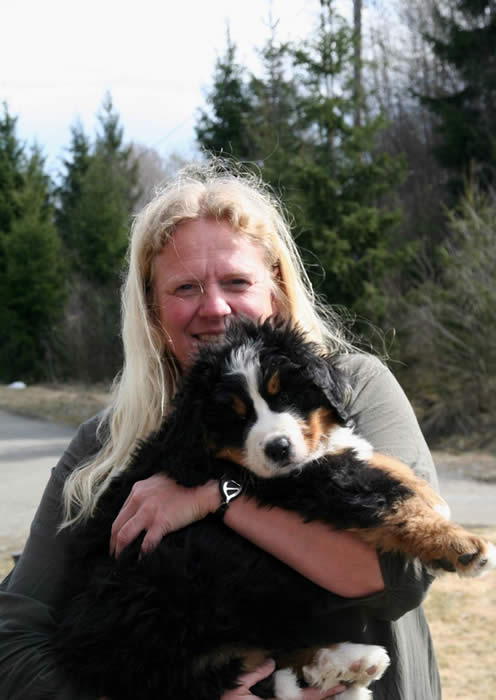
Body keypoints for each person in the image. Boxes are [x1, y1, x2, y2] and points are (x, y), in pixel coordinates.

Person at [0, 160, 442, 700]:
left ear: (276, 289)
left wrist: (217, 495)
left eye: (236, 281)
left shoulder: (348, 390)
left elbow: (402, 571)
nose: (215, 307)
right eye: (185, 288)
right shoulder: (105, 446)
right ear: (152, 313)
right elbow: (13, 638)